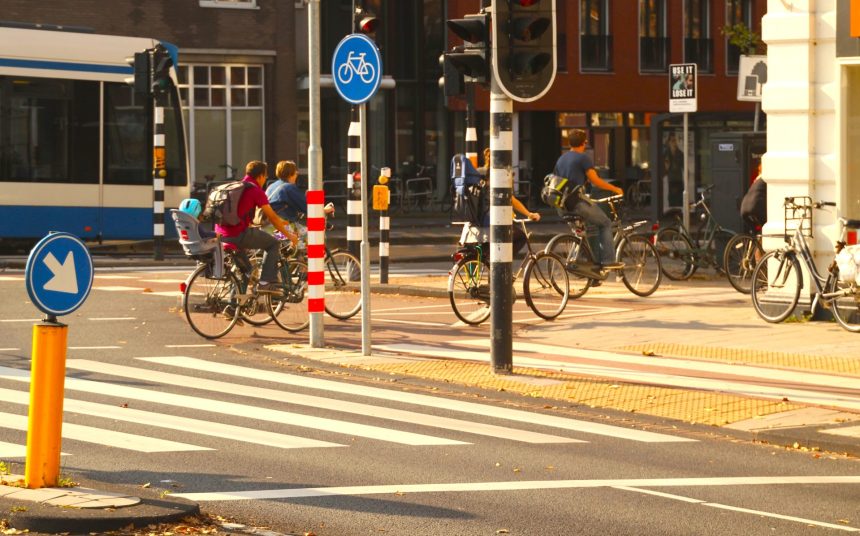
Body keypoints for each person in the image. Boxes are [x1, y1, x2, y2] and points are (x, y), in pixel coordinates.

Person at [216, 160, 298, 293]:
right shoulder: (255, 190)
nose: (265, 179)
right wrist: (289, 235)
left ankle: (234, 307)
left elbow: (240, 213)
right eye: (265, 176)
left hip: (221, 234)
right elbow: (272, 216)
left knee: (245, 269)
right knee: (273, 244)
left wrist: (280, 223)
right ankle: (265, 282)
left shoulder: (237, 186)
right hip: (238, 234)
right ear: (260, 176)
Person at [552, 128, 624, 270]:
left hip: (562, 206)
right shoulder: (583, 157)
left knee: (590, 228)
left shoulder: (562, 158)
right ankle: (608, 261)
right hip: (576, 203)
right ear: (584, 143)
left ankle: (590, 266)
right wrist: (615, 189)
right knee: (605, 223)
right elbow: (595, 180)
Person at [476, 147, 540, 255]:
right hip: (495, 219)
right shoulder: (502, 174)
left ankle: (492, 259)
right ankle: (503, 263)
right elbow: (512, 200)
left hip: (479, 219)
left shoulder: (479, 172)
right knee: (521, 237)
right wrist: (529, 214)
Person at [265, 160, 334, 242]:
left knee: (296, 244)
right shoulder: (289, 187)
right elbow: (307, 208)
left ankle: (296, 254)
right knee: (313, 236)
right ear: (291, 174)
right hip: (281, 226)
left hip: (268, 226)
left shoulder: (272, 185)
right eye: (295, 172)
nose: (297, 174)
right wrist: (326, 210)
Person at [740, 162, 767, 231]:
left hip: (744, 207)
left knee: (754, 232)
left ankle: (754, 240)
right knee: (768, 225)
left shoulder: (757, 179)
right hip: (755, 207)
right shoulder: (766, 179)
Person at [663, 132, 684, 209]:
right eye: (672, 141)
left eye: (675, 140)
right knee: (671, 195)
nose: (674, 143)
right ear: (669, 143)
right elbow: (664, 166)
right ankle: (672, 209)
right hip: (670, 178)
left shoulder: (680, 153)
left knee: (679, 196)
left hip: (678, 178)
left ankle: (679, 209)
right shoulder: (666, 153)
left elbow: (683, 166)